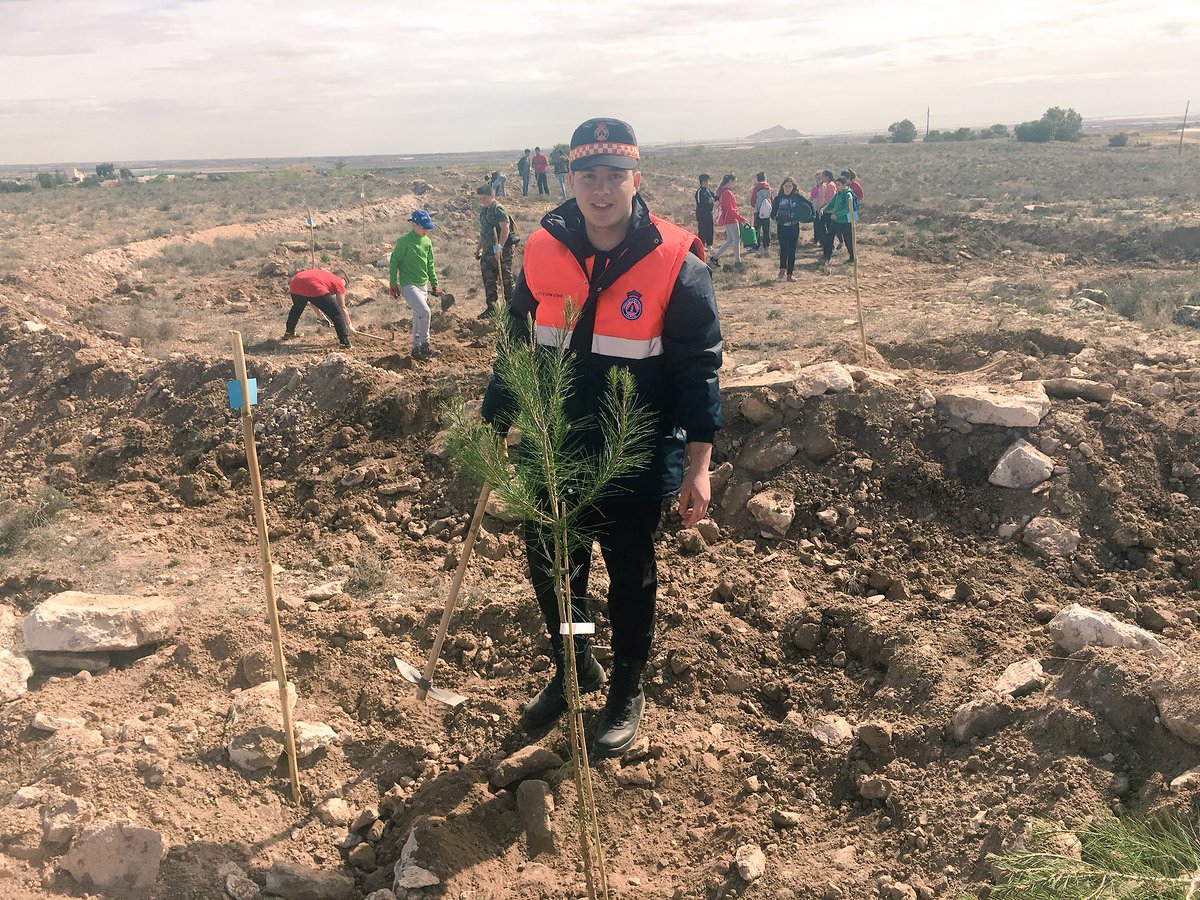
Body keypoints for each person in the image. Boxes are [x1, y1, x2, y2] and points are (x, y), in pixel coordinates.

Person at [481, 117, 723, 758]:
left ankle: (625, 687)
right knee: (557, 565)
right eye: (588, 175)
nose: (601, 189)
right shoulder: (541, 247)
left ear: (635, 178)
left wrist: (698, 463)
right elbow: (516, 342)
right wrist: (497, 420)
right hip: (553, 440)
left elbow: (699, 366)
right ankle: (576, 659)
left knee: (629, 573)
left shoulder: (675, 258)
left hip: (633, 445)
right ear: (570, 180)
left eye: (614, 175)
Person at [388, 209, 445, 360]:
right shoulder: (404, 242)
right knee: (425, 312)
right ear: (414, 225)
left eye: (428, 227)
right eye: (423, 227)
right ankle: (425, 346)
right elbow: (394, 263)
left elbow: (430, 264)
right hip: (408, 284)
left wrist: (435, 284)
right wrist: (393, 285)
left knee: (418, 316)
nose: (426, 230)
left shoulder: (427, 242)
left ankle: (416, 349)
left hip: (422, 284)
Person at [476, 183, 517, 318]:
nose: (482, 201)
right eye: (480, 199)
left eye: (485, 198)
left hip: (502, 249)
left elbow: (505, 229)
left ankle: (511, 309)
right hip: (488, 250)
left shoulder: (498, 210)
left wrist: (499, 247)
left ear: (492, 196)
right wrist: (478, 249)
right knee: (489, 279)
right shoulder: (484, 210)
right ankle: (492, 308)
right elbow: (483, 232)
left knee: (505, 278)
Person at [284, 268, 352, 348]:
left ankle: (289, 332)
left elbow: (313, 300)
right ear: (341, 278)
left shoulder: (324, 277)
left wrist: (322, 317)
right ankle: (344, 342)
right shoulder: (338, 281)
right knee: (336, 312)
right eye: (345, 283)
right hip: (312, 285)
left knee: (297, 308)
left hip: (295, 282)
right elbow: (342, 307)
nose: (344, 286)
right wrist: (349, 325)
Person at [771, 176, 814, 282]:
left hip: (794, 227)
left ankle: (790, 274)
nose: (788, 188)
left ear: (793, 187)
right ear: (782, 186)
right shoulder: (778, 199)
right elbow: (772, 214)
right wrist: (778, 219)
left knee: (792, 250)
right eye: (786, 186)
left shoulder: (797, 197)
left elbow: (809, 205)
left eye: (790, 186)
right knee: (783, 249)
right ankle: (782, 269)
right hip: (782, 227)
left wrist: (810, 217)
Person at [820, 175, 857, 270]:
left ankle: (853, 257)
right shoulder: (838, 194)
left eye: (839, 185)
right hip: (835, 221)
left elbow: (848, 209)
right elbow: (831, 204)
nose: (837, 186)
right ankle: (826, 256)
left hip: (845, 222)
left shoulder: (848, 195)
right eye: (837, 184)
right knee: (829, 237)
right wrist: (823, 209)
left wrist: (837, 215)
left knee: (848, 239)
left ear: (845, 185)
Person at [710, 173, 745, 267]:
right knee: (736, 240)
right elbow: (731, 209)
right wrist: (740, 218)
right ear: (730, 181)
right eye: (735, 182)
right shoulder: (727, 193)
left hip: (728, 219)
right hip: (731, 219)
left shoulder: (722, 191)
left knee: (730, 240)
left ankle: (715, 257)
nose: (735, 184)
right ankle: (738, 262)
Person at [811, 170, 836, 251]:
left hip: (829, 210)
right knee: (825, 226)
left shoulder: (830, 186)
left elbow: (831, 200)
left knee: (825, 226)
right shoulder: (828, 185)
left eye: (823, 176)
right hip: (826, 209)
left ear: (827, 177)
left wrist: (822, 207)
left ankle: (829, 244)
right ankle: (827, 244)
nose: (821, 178)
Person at [749, 172, 773, 252]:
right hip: (767, 212)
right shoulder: (769, 188)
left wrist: (755, 207)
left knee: (757, 229)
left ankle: (756, 246)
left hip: (758, 212)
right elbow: (772, 200)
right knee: (766, 229)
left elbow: (752, 201)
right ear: (765, 178)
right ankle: (766, 245)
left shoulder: (756, 188)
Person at [694, 174, 715, 250]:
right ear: (702, 182)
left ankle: (709, 244)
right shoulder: (700, 192)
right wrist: (711, 200)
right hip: (702, 214)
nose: (707, 183)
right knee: (702, 229)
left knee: (710, 228)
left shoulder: (708, 190)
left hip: (709, 213)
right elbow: (704, 202)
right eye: (706, 181)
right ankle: (702, 245)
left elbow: (714, 197)